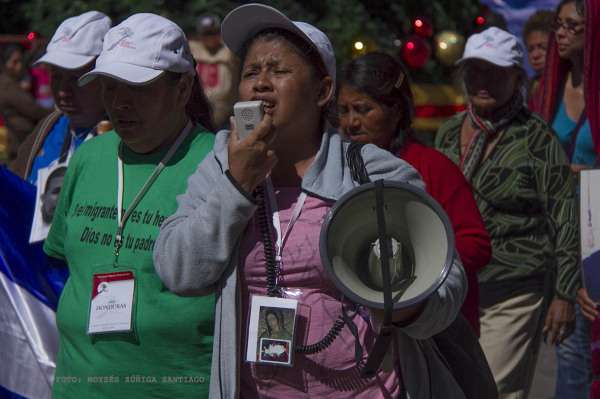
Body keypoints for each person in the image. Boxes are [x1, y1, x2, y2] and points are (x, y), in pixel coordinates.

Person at [153, 4, 468, 398]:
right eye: (251, 72)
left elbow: (447, 287)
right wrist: (237, 185)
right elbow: (177, 270)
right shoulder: (220, 163)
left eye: (279, 71)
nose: (261, 83)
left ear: (322, 92)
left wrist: (401, 303)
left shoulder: (373, 172)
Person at [43, 13, 216, 397]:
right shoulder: (87, 157)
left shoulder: (220, 163)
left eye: (136, 87)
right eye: (109, 87)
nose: (118, 103)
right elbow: (62, 263)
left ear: (183, 89)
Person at [434, 27, 580, 399]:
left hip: (515, 286)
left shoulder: (536, 137)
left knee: (496, 390)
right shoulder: (449, 133)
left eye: (495, 72)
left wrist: (564, 294)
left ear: (518, 78)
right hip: (452, 284)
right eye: (474, 71)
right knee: (450, 387)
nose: (482, 81)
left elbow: (565, 217)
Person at [335, 51, 492, 337]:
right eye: (343, 111)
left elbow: (477, 244)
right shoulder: (335, 170)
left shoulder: (433, 168)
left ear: (396, 110)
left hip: (433, 331)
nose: (351, 123)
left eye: (362, 109)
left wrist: (420, 259)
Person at [530, 1, 596, 396]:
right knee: (568, 345)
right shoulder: (548, 87)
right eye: (559, 24)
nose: (562, 33)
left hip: (597, 226)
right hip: (555, 227)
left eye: (574, 25)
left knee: (584, 347)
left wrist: (590, 176)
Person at [10, 11, 112, 185]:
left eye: (76, 78)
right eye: (56, 77)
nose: (63, 91)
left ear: (104, 76)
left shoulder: (125, 137)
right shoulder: (47, 128)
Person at [0, 43, 51, 162]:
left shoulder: (10, 82)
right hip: (20, 141)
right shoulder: (7, 85)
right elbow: (33, 110)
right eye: (15, 62)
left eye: (21, 61)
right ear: (5, 63)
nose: (20, 66)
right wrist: (55, 115)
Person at [189, 12, 238, 129]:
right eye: (206, 34)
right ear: (200, 35)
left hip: (227, 119)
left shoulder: (229, 50)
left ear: (220, 34)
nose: (210, 38)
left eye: (213, 33)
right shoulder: (194, 49)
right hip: (199, 119)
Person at [522, 10, 555, 102]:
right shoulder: (530, 86)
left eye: (543, 48)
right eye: (530, 49)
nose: (535, 55)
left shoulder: (571, 84)